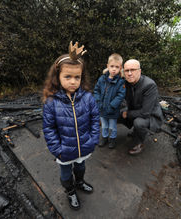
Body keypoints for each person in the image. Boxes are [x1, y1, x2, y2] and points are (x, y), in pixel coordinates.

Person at [42, 42, 100, 210]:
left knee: (81, 167)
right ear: (57, 77)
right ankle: (70, 191)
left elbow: (95, 119)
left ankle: (80, 182)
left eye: (77, 77)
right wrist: (57, 149)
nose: (73, 81)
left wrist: (93, 140)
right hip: (64, 151)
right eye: (68, 77)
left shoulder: (88, 98)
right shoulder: (51, 102)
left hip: (84, 146)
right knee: (66, 174)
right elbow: (49, 128)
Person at [120, 59, 163, 155]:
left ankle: (141, 142)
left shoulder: (149, 85)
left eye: (133, 70)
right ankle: (136, 131)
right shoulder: (125, 83)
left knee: (138, 122)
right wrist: (123, 110)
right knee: (117, 112)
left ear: (139, 71)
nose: (129, 73)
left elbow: (145, 112)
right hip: (136, 110)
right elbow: (122, 99)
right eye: (126, 71)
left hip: (151, 115)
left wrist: (127, 113)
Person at [93, 53, 126, 149]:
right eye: (112, 66)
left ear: (120, 68)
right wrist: (98, 101)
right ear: (108, 66)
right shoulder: (102, 79)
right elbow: (96, 90)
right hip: (102, 108)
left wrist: (112, 106)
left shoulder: (121, 82)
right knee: (104, 125)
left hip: (113, 110)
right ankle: (104, 137)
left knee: (112, 126)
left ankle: (112, 138)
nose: (114, 69)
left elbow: (120, 95)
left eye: (117, 67)